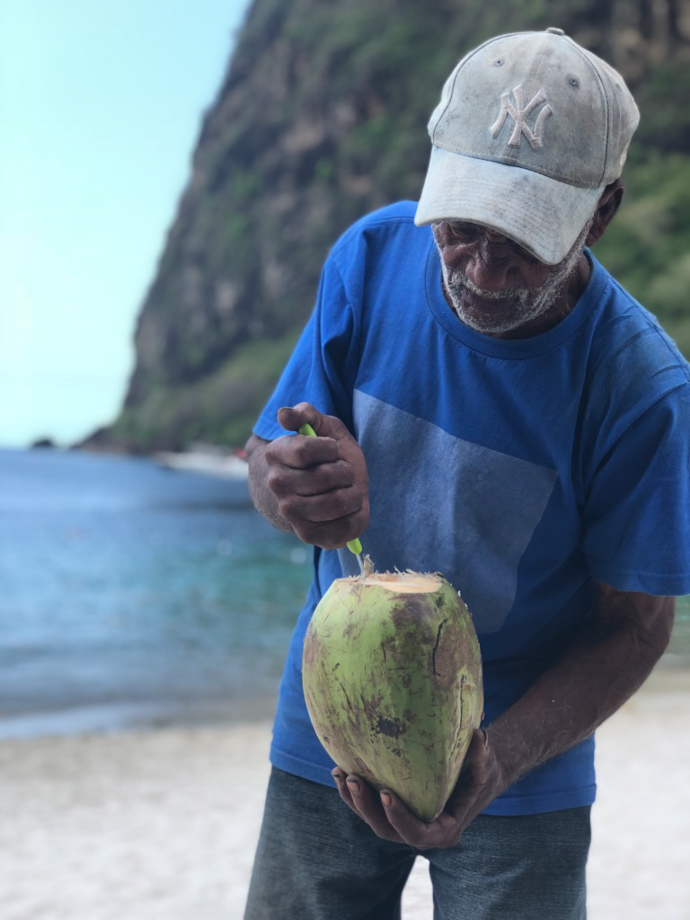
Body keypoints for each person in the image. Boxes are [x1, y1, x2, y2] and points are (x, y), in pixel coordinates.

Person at [243, 28, 690, 920]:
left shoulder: (641, 388)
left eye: (524, 239)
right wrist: (290, 488)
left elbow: (635, 628)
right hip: (329, 730)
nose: (482, 269)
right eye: (464, 224)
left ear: (599, 215)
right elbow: (263, 459)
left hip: (519, 769)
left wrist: (502, 756)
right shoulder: (370, 260)